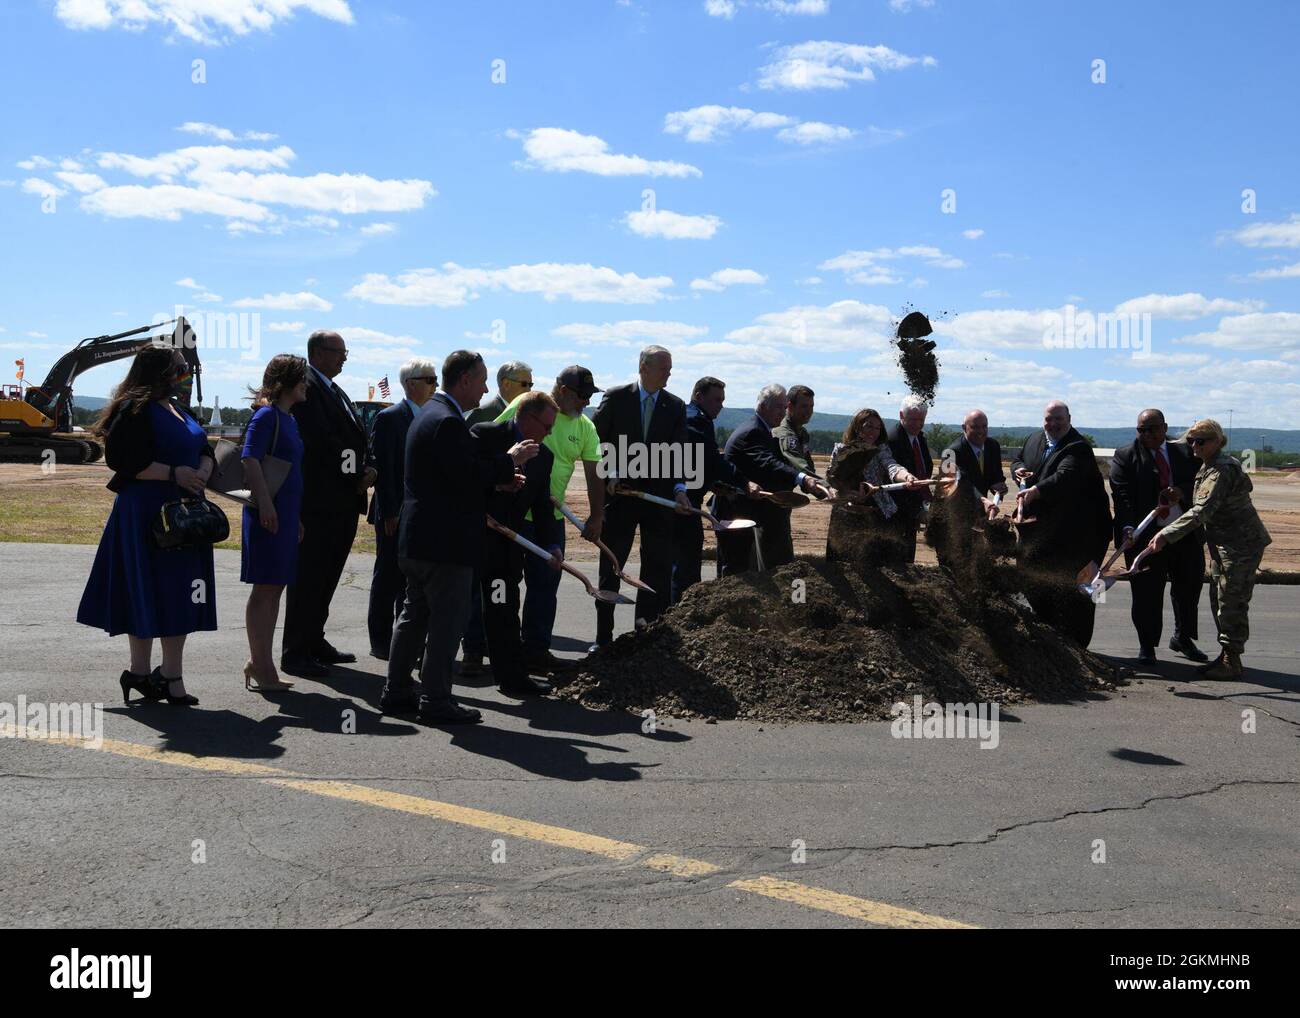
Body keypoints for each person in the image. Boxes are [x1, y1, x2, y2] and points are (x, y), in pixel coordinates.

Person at [379, 351, 537, 724]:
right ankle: (435, 700)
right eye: (481, 380)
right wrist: (509, 461)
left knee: (414, 616)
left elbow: (451, 474)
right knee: (446, 622)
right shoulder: (447, 421)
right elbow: (463, 476)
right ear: (464, 380)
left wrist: (498, 477)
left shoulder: (430, 415)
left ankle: (398, 690)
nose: (485, 389)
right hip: (444, 543)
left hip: (419, 539)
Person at [77, 344, 216, 706]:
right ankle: (140, 672)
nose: (185, 375)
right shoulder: (134, 409)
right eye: (180, 368)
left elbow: (205, 448)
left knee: (179, 593)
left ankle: (171, 675)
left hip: (185, 515)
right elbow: (121, 460)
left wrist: (201, 470)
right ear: (159, 372)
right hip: (147, 513)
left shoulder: (179, 410)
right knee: (145, 590)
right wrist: (174, 473)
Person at [495, 365, 605, 672]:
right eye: (583, 396)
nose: (586, 402)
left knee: (544, 586)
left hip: (549, 518)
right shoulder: (526, 405)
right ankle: (489, 650)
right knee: (503, 583)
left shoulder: (585, 427)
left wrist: (597, 515)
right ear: (564, 391)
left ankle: (536, 651)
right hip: (512, 516)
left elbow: (596, 472)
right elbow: (496, 441)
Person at [1147, 419, 1271, 679]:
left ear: (1217, 442)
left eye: (1200, 441)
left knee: (1231, 602)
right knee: (1219, 598)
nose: (1193, 445)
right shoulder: (1211, 465)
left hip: (1241, 545)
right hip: (1225, 544)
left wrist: (1165, 535)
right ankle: (1227, 655)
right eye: (1191, 440)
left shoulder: (1221, 469)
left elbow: (1201, 511)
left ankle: (1231, 660)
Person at [281, 330, 374, 678]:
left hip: (342, 501)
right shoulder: (308, 387)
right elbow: (322, 441)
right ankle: (296, 651)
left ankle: (314, 639)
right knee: (309, 577)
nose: (344, 357)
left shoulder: (334, 390)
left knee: (328, 575)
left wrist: (367, 467)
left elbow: (354, 437)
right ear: (318, 352)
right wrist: (356, 472)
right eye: (339, 351)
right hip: (320, 501)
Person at [590, 345, 694, 649]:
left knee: (657, 569)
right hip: (619, 499)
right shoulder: (616, 397)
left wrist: (680, 490)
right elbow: (594, 444)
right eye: (664, 368)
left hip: (658, 501)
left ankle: (645, 637)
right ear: (643, 367)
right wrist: (610, 475)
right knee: (611, 567)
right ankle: (603, 639)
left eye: (670, 368)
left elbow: (680, 453)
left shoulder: (674, 406)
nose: (669, 373)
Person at [473, 392, 565, 696]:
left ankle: (511, 677)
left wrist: (552, 544)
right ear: (526, 418)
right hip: (468, 541)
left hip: (503, 548)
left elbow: (540, 506)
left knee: (503, 608)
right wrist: (502, 477)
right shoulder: (485, 435)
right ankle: (423, 675)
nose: (549, 433)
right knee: (448, 607)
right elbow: (463, 479)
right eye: (546, 425)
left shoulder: (544, 457)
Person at [1110, 409, 1207, 666]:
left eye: (1151, 429)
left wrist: (1181, 493)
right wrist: (1128, 526)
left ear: (1164, 428)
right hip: (1144, 538)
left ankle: (1183, 638)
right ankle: (1147, 645)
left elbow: (1201, 485)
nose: (1146, 435)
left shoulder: (1186, 453)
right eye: (1141, 430)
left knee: (1188, 588)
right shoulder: (1126, 455)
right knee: (1146, 593)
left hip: (1184, 534)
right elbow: (1122, 496)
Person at [1012, 400, 1112, 647]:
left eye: (1059, 419)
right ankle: (1054, 642)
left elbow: (1064, 476)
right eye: (1049, 419)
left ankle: (1081, 648)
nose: (1053, 424)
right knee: (1035, 583)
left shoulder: (1079, 447)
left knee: (1084, 593)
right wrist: (1019, 469)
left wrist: (1035, 490)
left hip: (1084, 536)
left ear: (1069, 419)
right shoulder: (1035, 439)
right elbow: (1018, 459)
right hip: (1046, 534)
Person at [240, 354, 308, 693]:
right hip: (268, 514)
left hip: (283, 515)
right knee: (265, 589)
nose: (306, 384)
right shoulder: (267, 416)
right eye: (303, 379)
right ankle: (260, 664)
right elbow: (249, 457)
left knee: (275, 589)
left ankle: (262, 664)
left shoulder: (288, 418)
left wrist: (293, 517)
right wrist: (266, 503)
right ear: (289, 382)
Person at [461, 366, 532, 671]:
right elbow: (469, 467)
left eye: (532, 383)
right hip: (481, 516)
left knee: (501, 590)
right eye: (525, 383)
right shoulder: (483, 415)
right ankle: (473, 648)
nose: (530, 386)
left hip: (508, 521)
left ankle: (495, 645)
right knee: (476, 590)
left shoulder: (527, 418)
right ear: (506, 384)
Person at [716, 384, 830, 574]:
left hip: (752, 508)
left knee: (749, 570)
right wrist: (804, 479)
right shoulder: (754, 431)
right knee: (738, 571)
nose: (783, 411)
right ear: (763, 407)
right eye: (779, 406)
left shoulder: (765, 429)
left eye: (784, 406)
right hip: (738, 509)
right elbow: (769, 463)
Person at [366, 358, 438, 660]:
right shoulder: (390, 418)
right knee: (388, 577)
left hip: (421, 514)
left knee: (412, 581)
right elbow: (384, 468)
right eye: (430, 380)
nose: (436, 385)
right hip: (394, 513)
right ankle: (381, 641)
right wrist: (390, 512)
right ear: (411, 384)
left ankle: (406, 639)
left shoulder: (432, 416)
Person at [672, 376, 757, 602]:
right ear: (699, 397)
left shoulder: (691, 417)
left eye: (722, 401)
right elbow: (710, 459)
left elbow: (693, 462)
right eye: (716, 400)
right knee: (685, 567)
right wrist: (743, 481)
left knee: (678, 563)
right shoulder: (697, 421)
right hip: (684, 503)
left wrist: (712, 484)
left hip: (684, 497)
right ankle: (678, 617)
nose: (720, 405)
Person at [825, 407, 921, 565]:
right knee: (843, 563)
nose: (874, 432)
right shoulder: (841, 450)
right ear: (857, 426)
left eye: (877, 428)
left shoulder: (881, 449)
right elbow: (832, 479)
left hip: (875, 509)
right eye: (869, 426)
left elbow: (892, 466)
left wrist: (907, 477)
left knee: (875, 562)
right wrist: (846, 492)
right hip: (846, 512)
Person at [885, 395, 933, 563]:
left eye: (921, 420)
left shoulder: (920, 438)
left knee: (907, 559)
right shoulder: (892, 440)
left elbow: (925, 470)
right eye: (912, 419)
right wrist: (917, 511)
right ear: (901, 416)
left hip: (913, 510)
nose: (917, 424)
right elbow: (892, 480)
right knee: (896, 561)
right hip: (896, 513)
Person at [772, 384, 822, 483]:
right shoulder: (784, 432)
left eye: (811, 406)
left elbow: (808, 464)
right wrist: (823, 486)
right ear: (790, 406)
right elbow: (799, 464)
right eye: (804, 406)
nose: (809, 411)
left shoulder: (802, 433)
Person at [466, 359, 533, 426]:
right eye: (524, 384)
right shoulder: (481, 415)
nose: (528, 390)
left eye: (530, 385)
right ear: (506, 384)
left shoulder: (527, 415)